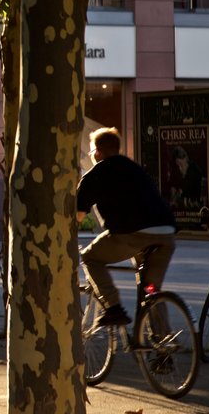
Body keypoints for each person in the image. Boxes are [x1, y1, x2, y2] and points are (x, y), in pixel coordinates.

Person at [78, 127, 177, 328]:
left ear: (97, 152)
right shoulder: (135, 168)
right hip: (165, 234)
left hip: (132, 234)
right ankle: (163, 347)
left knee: (90, 257)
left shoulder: (96, 174)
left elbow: (77, 216)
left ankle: (113, 308)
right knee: (151, 290)